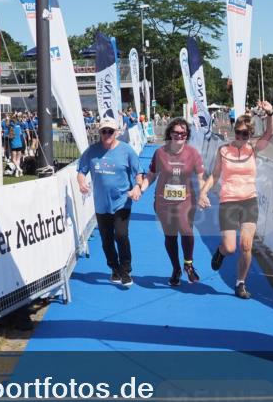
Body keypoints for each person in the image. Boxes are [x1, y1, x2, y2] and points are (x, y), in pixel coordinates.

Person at [199, 101, 273, 299]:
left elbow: (269, 134)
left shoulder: (253, 149)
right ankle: (221, 251)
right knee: (231, 247)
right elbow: (215, 175)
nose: (240, 137)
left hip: (249, 201)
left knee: (247, 246)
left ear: (250, 135)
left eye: (245, 134)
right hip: (228, 201)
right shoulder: (223, 150)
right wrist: (203, 193)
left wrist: (270, 114)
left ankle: (240, 283)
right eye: (238, 133)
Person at [78, 117, 143, 287]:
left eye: (110, 131)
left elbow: (139, 171)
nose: (107, 134)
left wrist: (137, 187)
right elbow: (81, 170)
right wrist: (81, 183)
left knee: (121, 235)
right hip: (101, 204)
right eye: (103, 131)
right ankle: (114, 268)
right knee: (106, 239)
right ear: (99, 132)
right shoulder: (91, 151)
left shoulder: (126, 151)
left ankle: (126, 270)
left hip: (122, 202)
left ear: (116, 133)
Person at [140, 118, 205, 286]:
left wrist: (203, 194)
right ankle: (176, 268)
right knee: (170, 235)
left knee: (186, 230)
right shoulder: (160, 153)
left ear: (187, 136)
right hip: (163, 200)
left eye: (183, 134)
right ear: (170, 133)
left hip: (186, 200)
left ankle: (188, 265)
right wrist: (141, 188)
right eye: (176, 133)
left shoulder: (193, 153)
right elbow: (152, 174)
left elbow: (200, 177)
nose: (179, 136)